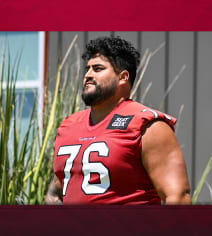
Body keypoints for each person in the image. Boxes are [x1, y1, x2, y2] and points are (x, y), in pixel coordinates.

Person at [45, 35, 191, 205]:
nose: (88, 75)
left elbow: (178, 196)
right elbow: (56, 192)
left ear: (123, 77)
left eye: (98, 68)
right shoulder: (69, 126)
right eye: (88, 69)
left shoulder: (148, 125)